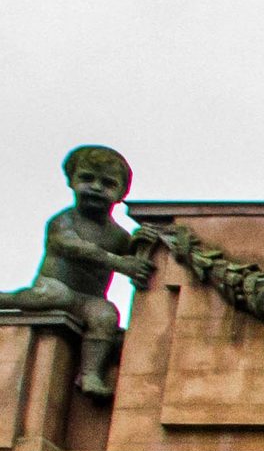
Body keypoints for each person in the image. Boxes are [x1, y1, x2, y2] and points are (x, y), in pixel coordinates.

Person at [0, 144, 156, 399]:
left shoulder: (117, 235)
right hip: (55, 285)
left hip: (87, 299)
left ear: (119, 194)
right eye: (87, 178)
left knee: (106, 315)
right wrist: (119, 263)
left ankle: (90, 374)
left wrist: (143, 242)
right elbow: (74, 247)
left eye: (107, 183)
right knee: (53, 298)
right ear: (71, 182)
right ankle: (4, 299)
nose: (95, 187)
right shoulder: (64, 221)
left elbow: (134, 259)